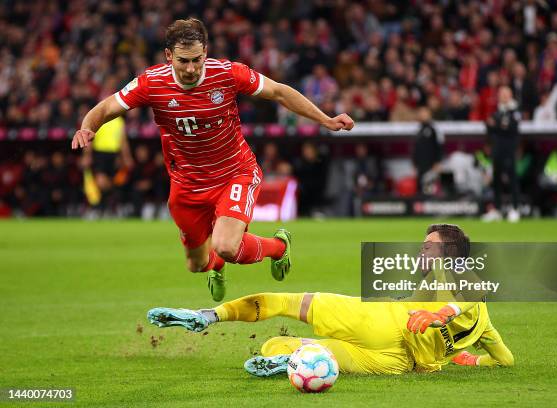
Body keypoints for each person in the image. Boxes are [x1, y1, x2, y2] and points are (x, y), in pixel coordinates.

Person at [71, 18, 354, 301]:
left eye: (197, 59)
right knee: (196, 264)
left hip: (235, 172)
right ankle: (215, 266)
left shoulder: (229, 73)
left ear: (206, 52)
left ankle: (278, 247)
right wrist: (88, 126)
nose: (192, 68)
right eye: (183, 61)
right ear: (169, 56)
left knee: (227, 246)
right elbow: (108, 106)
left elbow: (279, 91)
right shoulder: (152, 82)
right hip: (187, 185)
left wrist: (325, 119)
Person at [147, 224, 514, 376]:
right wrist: (470, 358)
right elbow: (506, 360)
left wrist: (442, 314)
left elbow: (470, 291)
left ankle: (210, 315)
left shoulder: (453, 273)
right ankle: (292, 362)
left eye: (430, 244)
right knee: (283, 348)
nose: (423, 248)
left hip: (381, 320)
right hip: (393, 363)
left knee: (288, 303)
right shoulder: (486, 327)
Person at [482, 86, 521, 222]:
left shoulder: (514, 111)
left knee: (512, 179)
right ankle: (497, 210)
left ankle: (515, 209)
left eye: (505, 94)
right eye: (501, 94)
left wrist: (496, 124)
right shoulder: (498, 111)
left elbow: (510, 128)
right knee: (496, 180)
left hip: (509, 149)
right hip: (497, 149)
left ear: (510, 95)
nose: (502, 96)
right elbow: (489, 126)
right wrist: (499, 125)